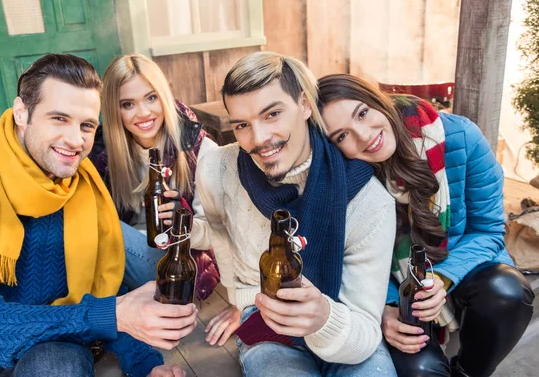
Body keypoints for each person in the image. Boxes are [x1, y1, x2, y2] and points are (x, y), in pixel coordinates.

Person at [0, 54, 196, 377]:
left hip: (51, 346)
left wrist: (145, 364)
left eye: (87, 125)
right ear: (22, 112)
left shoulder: (83, 188)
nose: (76, 141)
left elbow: (102, 287)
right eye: (59, 119)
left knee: (58, 364)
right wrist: (110, 315)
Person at [192, 51, 398, 376]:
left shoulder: (369, 202)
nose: (259, 139)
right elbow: (221, 234)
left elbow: (364, 332)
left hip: (343, 322)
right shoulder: (217, 169)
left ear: (304, 105)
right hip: (265, 319)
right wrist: (238, 300)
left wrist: (323, 319)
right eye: (242, 125)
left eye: (272, 114)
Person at [317, 74, 535, 377]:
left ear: (378, 99)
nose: (364, 136)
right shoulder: (343, 178)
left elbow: (488, 230)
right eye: (341, 136)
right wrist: (385, 307)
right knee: (420, 369)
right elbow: (345, 257)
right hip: (391, 284)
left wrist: (442, 280)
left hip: (461, 265)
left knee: (506, 292)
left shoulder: (460, 137)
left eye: (363, 113)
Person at [89, 54, 219, 300]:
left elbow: (215, 235)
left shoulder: (200, 150)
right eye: (128, 104)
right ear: (114, 110)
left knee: (99, 228)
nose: (143, 112)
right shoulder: (104, 155)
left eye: (151, 98)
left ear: (165, 97)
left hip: (181, 269)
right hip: (122, 265)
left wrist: (182, 221)